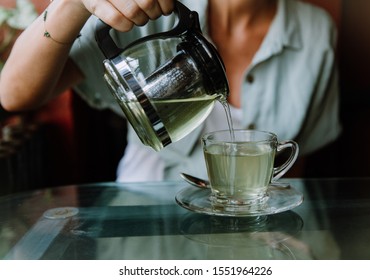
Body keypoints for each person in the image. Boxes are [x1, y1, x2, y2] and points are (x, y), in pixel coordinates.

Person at [0, 0, 341, 182]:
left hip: (248, 231)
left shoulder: (314, 32)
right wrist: (73, 4)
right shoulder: (149, 10)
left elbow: (292, 167)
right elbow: (15, 95)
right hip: (145, 216)